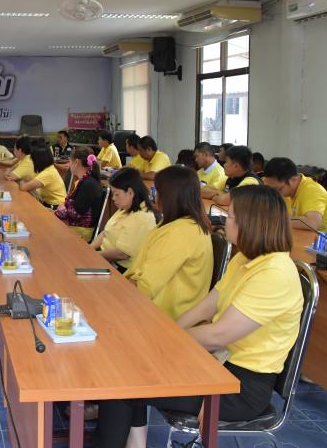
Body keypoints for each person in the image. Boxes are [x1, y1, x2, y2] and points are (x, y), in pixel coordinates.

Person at [96, 185, 303, 448]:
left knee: (123, 383)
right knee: (129, 369)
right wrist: (167, 332)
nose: (225, 222)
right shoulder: (245, 259)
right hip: (217, 364)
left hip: (240, 387)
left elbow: (218, 335)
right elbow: (207, 306)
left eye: (230, 216)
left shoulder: (275, 273)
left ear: (251, 223)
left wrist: (166, 340)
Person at [124, 166, 213, 320]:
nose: (155, 197)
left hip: (163, 315)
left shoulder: (180, 233)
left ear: (169, 196)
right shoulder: (180, 224)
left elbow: (146, 287)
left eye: (158, 191)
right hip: (157, 304)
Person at [90, 167, 157, 270]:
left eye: (116, 194)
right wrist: (90, 249)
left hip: (120, 269)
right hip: (105, 257)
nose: (113, 198)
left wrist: (94, 255)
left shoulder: (142, 217)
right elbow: (105, 232)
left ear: (130, 192)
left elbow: (121, 254)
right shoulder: (126, 207)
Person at [263, 157, 327, 237]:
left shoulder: (311, 190)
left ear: (293, 179)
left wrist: (277, 221)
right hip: (306, 239)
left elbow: (313, 223)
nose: (275, 194)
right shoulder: (287, 192)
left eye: (278, 189)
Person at [53, 147, 103, 241]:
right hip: (74, 225)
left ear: (76, 162)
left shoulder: (89, 184)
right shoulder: (84, 180)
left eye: (70, 161)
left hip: (80, 230)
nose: (69, 164)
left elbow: (75, 214)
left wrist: (61, 209)